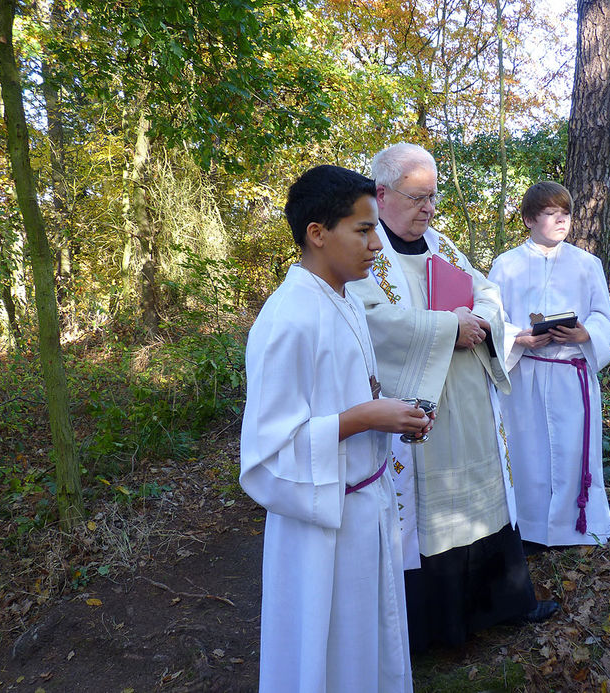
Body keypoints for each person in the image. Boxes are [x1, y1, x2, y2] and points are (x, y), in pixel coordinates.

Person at [348, 143, 557, 654]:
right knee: (430, 513)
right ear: (381, 194)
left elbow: (485, 289)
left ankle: (505, 604)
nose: (430, 208)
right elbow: (370, 322)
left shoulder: (441, 242)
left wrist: (480, 319)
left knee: (485, 500)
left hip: (468, 397)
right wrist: (449, 326)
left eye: (434, 196)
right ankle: (436, 630)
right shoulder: (366, 252)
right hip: (419, 405)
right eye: (418, 197)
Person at [239, 165, 431, 693]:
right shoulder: (288, 319)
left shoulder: (342, 298)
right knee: (325, 657)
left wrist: (394, 415)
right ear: (317, 234)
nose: (376, 245)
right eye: (363, 230)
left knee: (366, 648)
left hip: (364, 507)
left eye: (375, 230)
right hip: (322, 525)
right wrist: (363, 420)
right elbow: (267, 454)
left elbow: (353, 391)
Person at [487, 181, 610, 551]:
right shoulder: (506, 265)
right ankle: (527, 529)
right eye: (551, 214)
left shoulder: (586, 264)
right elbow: (492, 320)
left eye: (566, 214)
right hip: (525, 374)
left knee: (573, 453)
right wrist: (519, 338)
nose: (562, 221)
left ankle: (577, 528)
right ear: (529, 219)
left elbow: (603, 317)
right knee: (526, 452)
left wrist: (585, 335)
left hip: (569, 376)